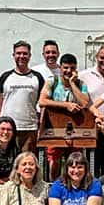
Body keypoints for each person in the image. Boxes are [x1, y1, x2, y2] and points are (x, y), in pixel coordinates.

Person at [39, 53, 90, 181]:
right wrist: (65, 105)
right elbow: (42, 101)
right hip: (55, 128)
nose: (68, 71)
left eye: (72, 68)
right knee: (53, 162)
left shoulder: (81, 84)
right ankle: (53, 186)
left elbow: (84, 103)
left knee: (74, 162)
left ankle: (71, 188)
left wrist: (72, 84)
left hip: (75, 128)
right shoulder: (52, 81)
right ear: (60, 68)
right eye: (66, 67)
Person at [0, 40, 44, 152]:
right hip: (7, 129)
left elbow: (42, 104)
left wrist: (41, 126)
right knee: (7, 162)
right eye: (18, 53)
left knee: (26, 162)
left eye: (25, 53)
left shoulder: (37, 77)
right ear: (14, 55)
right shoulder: (6, 77)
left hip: (29, 129)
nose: (22, 56)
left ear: (30, 56)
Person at [80, 45, 104, 177]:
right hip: (93, 127)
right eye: (102, 58)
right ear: (96, 58)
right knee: (92, 166)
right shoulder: (84, 76)